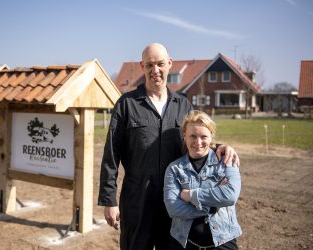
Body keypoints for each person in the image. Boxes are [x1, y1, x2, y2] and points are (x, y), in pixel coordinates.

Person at [98, 43, 239, 250]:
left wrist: (220, 147)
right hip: (138, 200)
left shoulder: (183, 104)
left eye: (160, 64)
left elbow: (195, 138)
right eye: (150, 65)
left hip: (174, 200)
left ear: (170, 64)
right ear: (142, 66)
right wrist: (109, 200)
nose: (155, 70)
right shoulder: (127, 104)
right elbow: (111, 155)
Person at [164, 110, 242, 249]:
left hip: (223, 240)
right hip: (184, 242)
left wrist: (190, 196)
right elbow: (173, 208)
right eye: (192, 136)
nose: (198, 142)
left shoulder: (226, 160)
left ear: (211, 136)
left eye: (203, 136)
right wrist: (213, 205)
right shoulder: (174, 169)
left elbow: (230, 196)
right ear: (184, 136)